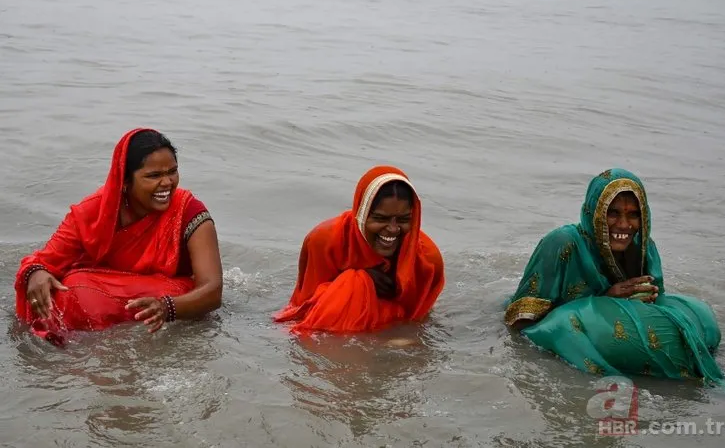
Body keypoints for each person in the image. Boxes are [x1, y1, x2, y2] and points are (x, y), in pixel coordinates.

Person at [504, 168, 724, 382]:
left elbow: (656, 306)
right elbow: (518, 323)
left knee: (700, 315)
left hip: (607, 332)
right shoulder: (562, 243)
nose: (624, 225)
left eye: (634, 215)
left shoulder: (644, 248)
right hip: (564, 321)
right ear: (595, 211)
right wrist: (605, 299)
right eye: (613, 213)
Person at [14, 128, 223, 345]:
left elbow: (212, 290)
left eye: (172, 172)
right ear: (124, 181)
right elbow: (44, 260)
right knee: (59, 293)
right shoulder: (93, 211)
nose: (167, 183)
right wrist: (36, 272)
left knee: (79, 288)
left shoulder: (189, 211)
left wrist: (167, 307)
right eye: (154, 176)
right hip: (105, 291)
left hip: (169, 297)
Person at [274, 165, 445, 333]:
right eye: (380, 218)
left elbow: (417, 316)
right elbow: (306, 306)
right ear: (361, 214)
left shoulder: (427, 259)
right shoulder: (324, 241)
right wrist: (363, 280)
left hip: (389, 326)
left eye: (403, 219)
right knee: (353, 282)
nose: (393, 229)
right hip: (335, 320)